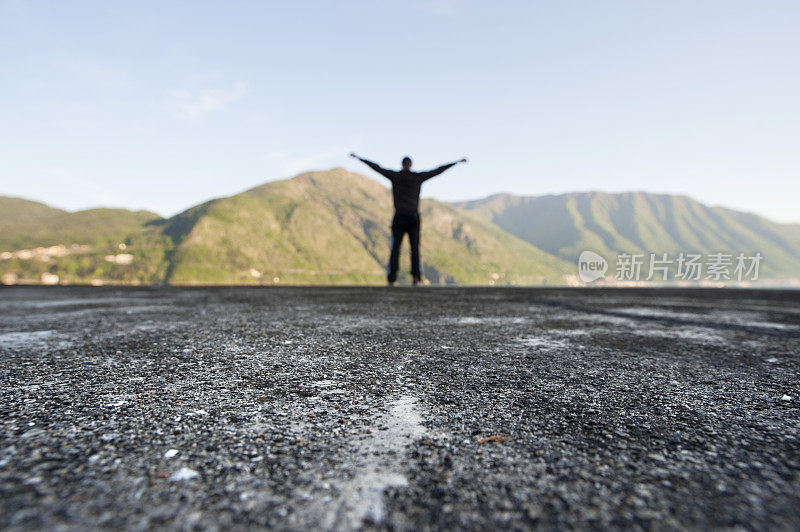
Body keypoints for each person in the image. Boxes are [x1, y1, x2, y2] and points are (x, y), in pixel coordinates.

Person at [350, 153, 468, 285]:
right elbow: (438, 170)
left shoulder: (395, 176)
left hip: (399, 216)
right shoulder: (417, 177)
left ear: (402, 165)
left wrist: (359, 158)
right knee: (415, 249)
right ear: (410, 165)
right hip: (413, 216)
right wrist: (456, 162)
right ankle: (415, 278)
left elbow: (376, 167)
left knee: (395, 248)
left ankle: (392, 278)